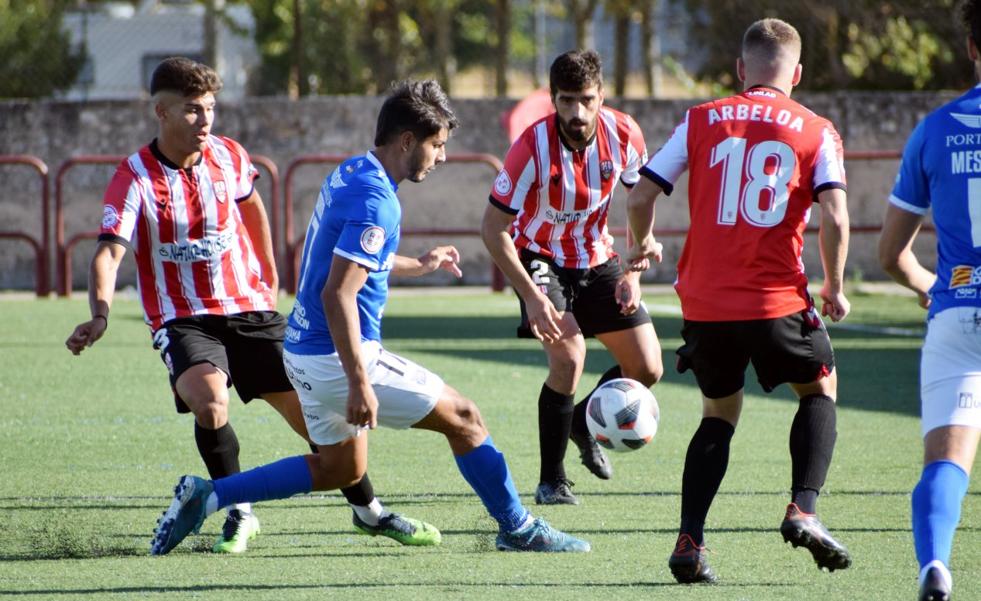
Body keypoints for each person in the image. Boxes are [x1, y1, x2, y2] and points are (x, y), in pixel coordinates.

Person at [149, 79, 590, 556]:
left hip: (302, 351)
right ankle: (518, 527)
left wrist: (417, 265)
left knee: (339, 470)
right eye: (437, 145)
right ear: (407, 141)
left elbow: (338, 258)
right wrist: (360, 383)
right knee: (465, 418)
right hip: (340, 358)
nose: (441, 157)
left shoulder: (352, 171)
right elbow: (338, 293)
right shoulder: (379, 200)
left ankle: (210, 494)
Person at [65, 57, 438, 554]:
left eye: (211, 109)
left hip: (249, 308)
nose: (205, 121)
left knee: (317, 422)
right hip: (184, 317)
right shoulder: (133, 177)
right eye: (192, 110)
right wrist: (101, 313)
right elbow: (110, 250)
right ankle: (238, 512)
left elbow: (253, 207)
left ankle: (368, 512)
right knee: (209, 400)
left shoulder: (230, 157)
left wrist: (269, 269)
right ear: (162, 112)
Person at [626, 19, 853, 583]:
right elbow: (837, 215)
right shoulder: (816, 128)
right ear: (796, 73)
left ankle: (689, 540)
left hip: (704, 304)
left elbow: (642, 194)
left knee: (718, 413)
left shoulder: (700, 118)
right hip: (776, 300)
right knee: (819, 386)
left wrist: (642, 244)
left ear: (740, 69)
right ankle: (804, 507)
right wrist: (834, 286)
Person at [481, 50, 663, 506]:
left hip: (597, 258)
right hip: (540, 257)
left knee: (647, 368)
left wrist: (634, 271)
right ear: (552, 98)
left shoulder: (625, 133)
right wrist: (532, 296)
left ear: (602, 96)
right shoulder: (530, 148)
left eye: (586, 100)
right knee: (569, 357)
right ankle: (551, 481)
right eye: (566, 101)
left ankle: (583, 422)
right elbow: (492, 229)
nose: (577, 113)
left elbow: (638, 202)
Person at [879, 2, 981, 598]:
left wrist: (930, 288)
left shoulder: (936, 128)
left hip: (959, 313)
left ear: (971, 47)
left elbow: (892, 253)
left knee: (947, 461)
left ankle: (935, 565)